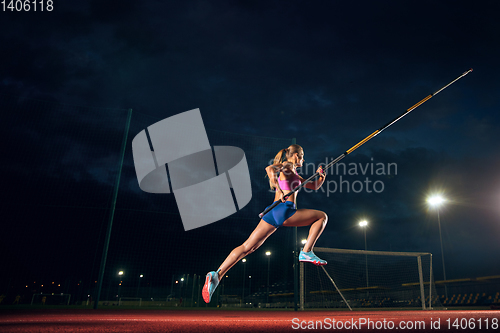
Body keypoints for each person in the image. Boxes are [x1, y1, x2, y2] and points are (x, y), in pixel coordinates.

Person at [202, 144, 328, 303]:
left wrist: (321, 176)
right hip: (285, 210)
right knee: (322, 217)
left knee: (248, 247)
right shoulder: (288, 167)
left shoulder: (294, 174)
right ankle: (306, 251)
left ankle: (216, 275)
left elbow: (314, 185)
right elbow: (269, 169)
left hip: (272, 212)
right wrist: (280, 190)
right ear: (296, 155)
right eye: (302, 156)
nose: (304, 159)